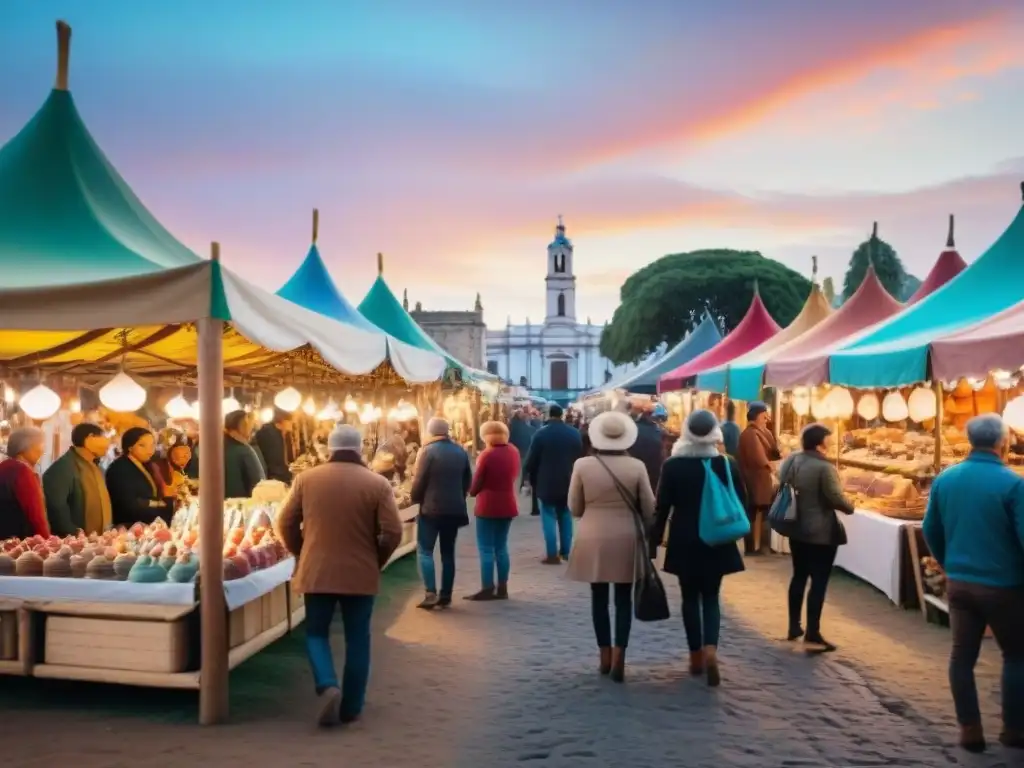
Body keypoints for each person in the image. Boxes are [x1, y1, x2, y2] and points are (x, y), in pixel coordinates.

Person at [276, 424, 403, 727]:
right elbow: (393, 531)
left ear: (330, 448)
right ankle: (352, 707)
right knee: (358, 638)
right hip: (360, 571)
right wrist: (377, 559)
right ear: (359, 448)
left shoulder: (306, 479)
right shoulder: (377, 483)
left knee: (317, 632)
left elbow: (285, 522)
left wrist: (301, 550)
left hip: (318, 568)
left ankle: (327, 683)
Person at [923, 413, 1024, 753]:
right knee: (1015, 656)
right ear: (1002, 441)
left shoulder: (946, 479)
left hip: (961, 582)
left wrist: (948, 562)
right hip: (1004, 585)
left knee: (961, 657)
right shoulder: (1013, 483)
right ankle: (1013, 729)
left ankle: (970, 729)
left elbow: (930, 529)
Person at [652, 410, 746, 687]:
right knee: (711, 597)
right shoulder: (727, 463)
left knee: (689, 598)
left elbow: (662, 507)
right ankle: (711, 650)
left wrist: (654, 541)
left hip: (684, 539)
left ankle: (694, 656)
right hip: (717, 539)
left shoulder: (673, 466)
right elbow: (741, 499)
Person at [566, 411, 655, 682]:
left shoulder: (582, 465)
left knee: (599, 598)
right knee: (623, 599)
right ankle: (620, 657)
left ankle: (603, 655)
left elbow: (574, 507)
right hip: (627, 535)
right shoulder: (637, 466)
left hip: (593, 535)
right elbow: (649, 507)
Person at [777, 422, 853, 652]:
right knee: (819, 581)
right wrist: (851, 506)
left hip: (796, 528)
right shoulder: (824, 468)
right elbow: (836, 498)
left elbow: (781, 481)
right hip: (820, 532)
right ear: (820, 442)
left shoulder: (792, 460)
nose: (830, 443)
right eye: (828, 439)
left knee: (799, 575)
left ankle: (793, 625)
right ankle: (813, 631)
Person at [411, 417, 472, 610]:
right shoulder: (460, 451)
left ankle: (430, 593)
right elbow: (467, 480)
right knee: (448, 553)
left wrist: (415, 499)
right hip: (454, 509)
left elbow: (419, 481)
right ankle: (446, 595)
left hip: (431, 509)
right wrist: (459, 497)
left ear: (431, 431)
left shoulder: (427, 451)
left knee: (425, 550)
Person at [466, 420, 521, 601]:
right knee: (501, 547)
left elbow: (477, 483)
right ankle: (503, 587)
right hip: (508, 503)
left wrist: (471, 491)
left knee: (486, 548)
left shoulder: (487, 455)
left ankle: (487, 587)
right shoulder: (513, 451)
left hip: (488, 505)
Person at [523, 404, 584, 564]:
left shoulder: (540, 434)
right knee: (565, 515)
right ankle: (566, 551)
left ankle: (552, 554)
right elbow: (580, 456)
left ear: (549, 415)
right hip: (568, 480)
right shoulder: (574, 434)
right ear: (562, 415)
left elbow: (531, 460)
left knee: (548, 516)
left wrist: (527, 478)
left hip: (546, 482)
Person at [43, 423, 112, 536]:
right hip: (76, 544)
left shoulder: (96, 466)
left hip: (98, 540)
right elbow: (56, 508)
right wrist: (74, 534)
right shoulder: (63, 467)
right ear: (90, 438)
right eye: (104, 436)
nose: (107, 444)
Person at [105, 427, 175, 527]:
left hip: (147, 520)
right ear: (130, 447)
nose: (149, 450)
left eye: (152, 445)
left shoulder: (146, 464)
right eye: (142, 445)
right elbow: (128, 503)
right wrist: (161, 505)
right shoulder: (119, 468)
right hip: (130, 524)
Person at [737, 401, 779, 554]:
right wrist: (771, 466)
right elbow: (759, 458)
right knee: (754, 512)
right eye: (764, 415)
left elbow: (774, 451)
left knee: (763, 511)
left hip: (763, 479)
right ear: (756, 416)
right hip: (754, 479)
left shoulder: (762, 432)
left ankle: (763, 546)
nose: (766, 418)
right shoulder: (749, 434)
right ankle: (755, 547)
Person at [0, 427, 49, 539]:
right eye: (39, 446)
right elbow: (35, 514)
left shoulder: (4, 466)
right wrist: (46, 541)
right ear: (26, 448)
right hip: (21, 542)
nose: (41, 451)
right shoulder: (22, 471)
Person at [628, 406, 666, 493]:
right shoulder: (658, 431)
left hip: (636, 466)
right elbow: (661, 451)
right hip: (653, 468)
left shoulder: (633, 428)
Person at [253, 409, 294, 484]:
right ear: (283, 421)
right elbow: (274, 462)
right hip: (273, 480)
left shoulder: (279, 433)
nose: (292, 424)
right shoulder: (269, 435)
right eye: (290, 421)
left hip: (278, 477)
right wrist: (288, 477)